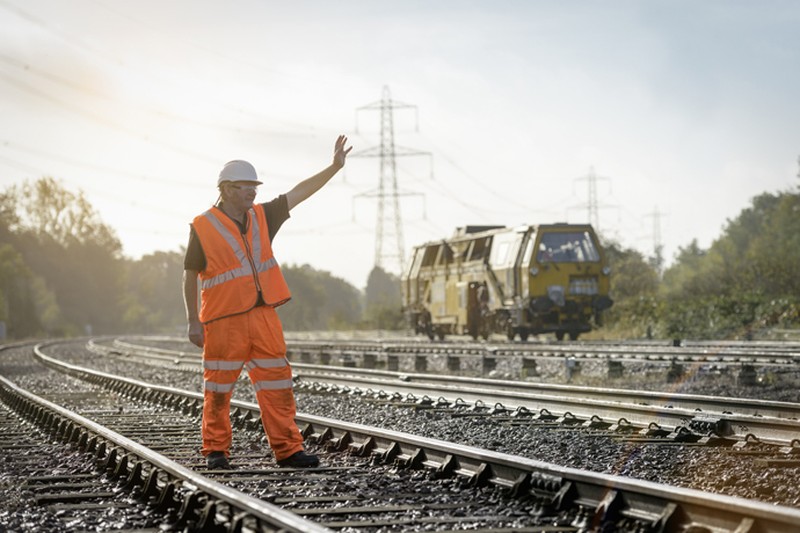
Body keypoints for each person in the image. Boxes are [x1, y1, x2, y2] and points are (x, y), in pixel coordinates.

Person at [183, 135, 352, 470]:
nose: (253, 191)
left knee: (278, 385)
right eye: (246, 186)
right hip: (222, 320)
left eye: (255, 186)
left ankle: (288, 450)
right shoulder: (203, 226)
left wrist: (333, 168)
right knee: (217, 389)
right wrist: (192, 320)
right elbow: (189, 274)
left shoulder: (263, 216)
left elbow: (300, 193)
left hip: (263, 318)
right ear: (227, 188)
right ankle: (216, 450)